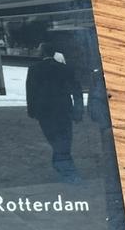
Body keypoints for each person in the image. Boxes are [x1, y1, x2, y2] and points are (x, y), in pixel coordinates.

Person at [26, 42, 84, 183]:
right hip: (64, 109)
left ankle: (65, 169)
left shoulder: (34, 69)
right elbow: (77, 91)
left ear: (42, 53)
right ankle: (65, 168)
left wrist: (32, 111)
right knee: (64, 139)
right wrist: (78, 111)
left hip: (44, 111)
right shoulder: (66, 69)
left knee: (53, 139)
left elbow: (30, 92)